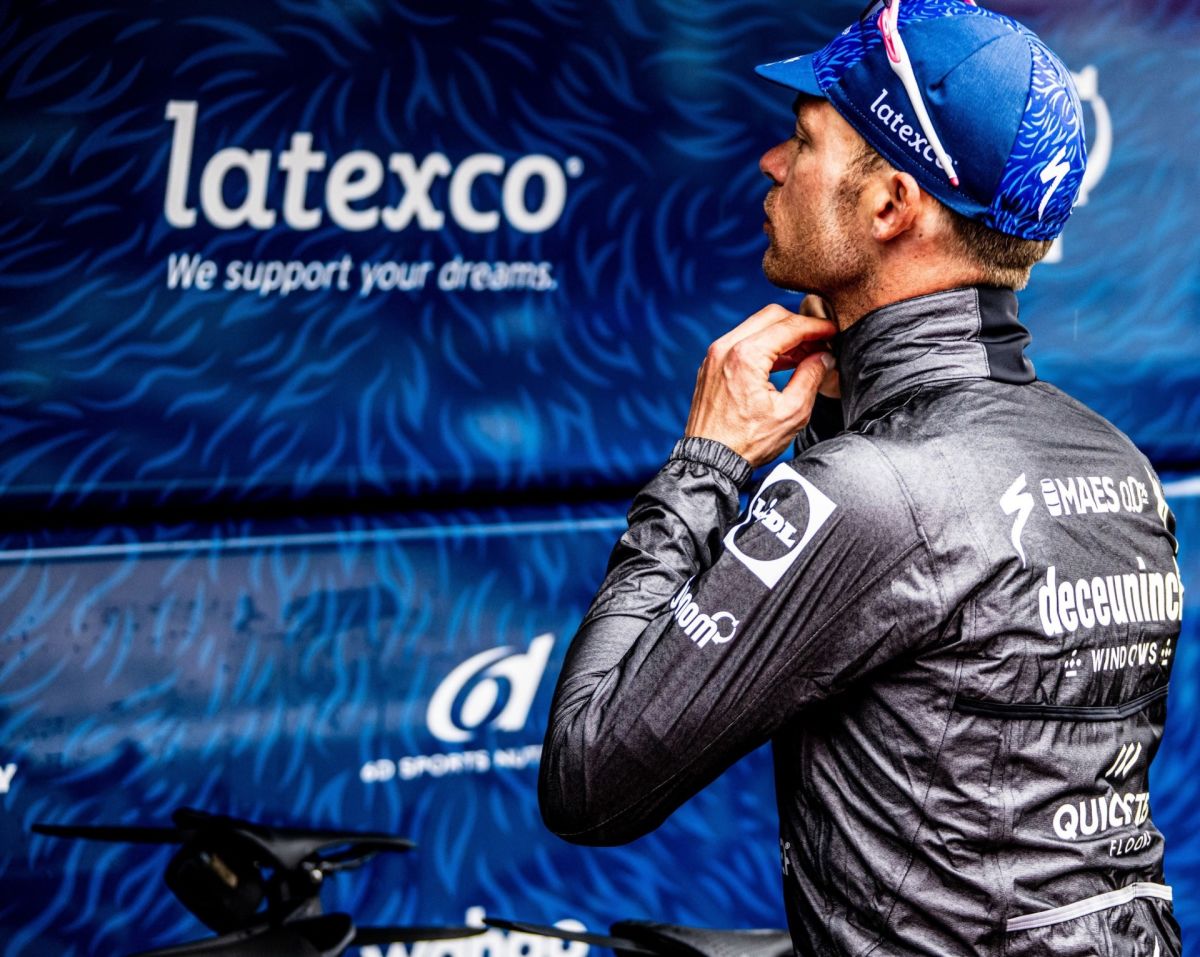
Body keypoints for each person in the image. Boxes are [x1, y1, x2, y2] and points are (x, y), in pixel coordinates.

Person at [538, 1, 1182, 954]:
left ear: (890, 206)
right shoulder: (1116, 463)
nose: (772, 162)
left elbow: (589, 776)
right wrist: (848, 400)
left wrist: (706, 461)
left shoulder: (878, 489)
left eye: (804, 139)